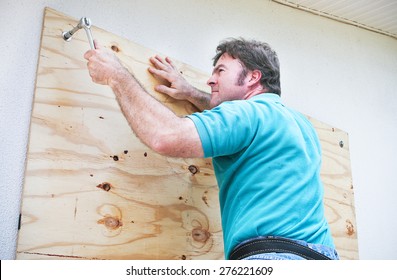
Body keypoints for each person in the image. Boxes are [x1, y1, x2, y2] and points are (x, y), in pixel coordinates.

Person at [84, 38, 339, 260]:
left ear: (253, 77)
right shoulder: (298, 124)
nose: (210, 79)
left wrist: (116, 75)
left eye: (220, 70)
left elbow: (165, 136)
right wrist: (191, 94)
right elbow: (241, 124)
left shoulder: (246, 113)